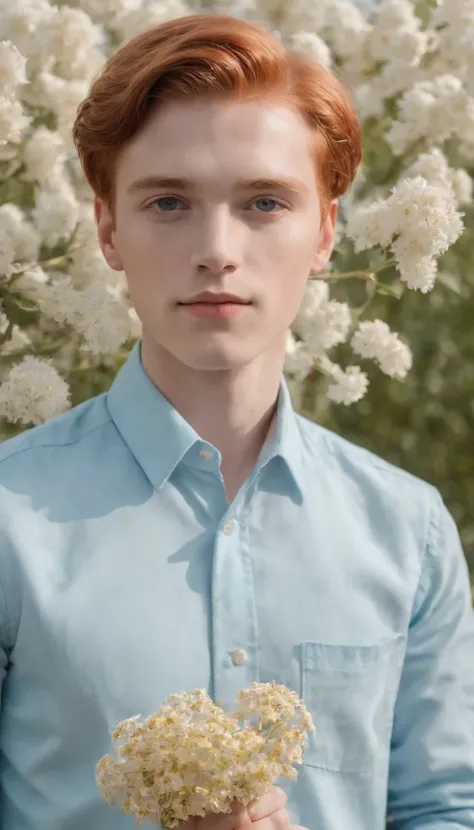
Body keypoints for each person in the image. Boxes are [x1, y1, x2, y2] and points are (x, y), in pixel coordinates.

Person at [0, 12, 472, 830]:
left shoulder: (408, 531)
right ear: (109, 229)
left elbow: (445, 809)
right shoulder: (9, 521)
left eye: (263, 202)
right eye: (169, 202)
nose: (217, 248)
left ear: (325, 231)